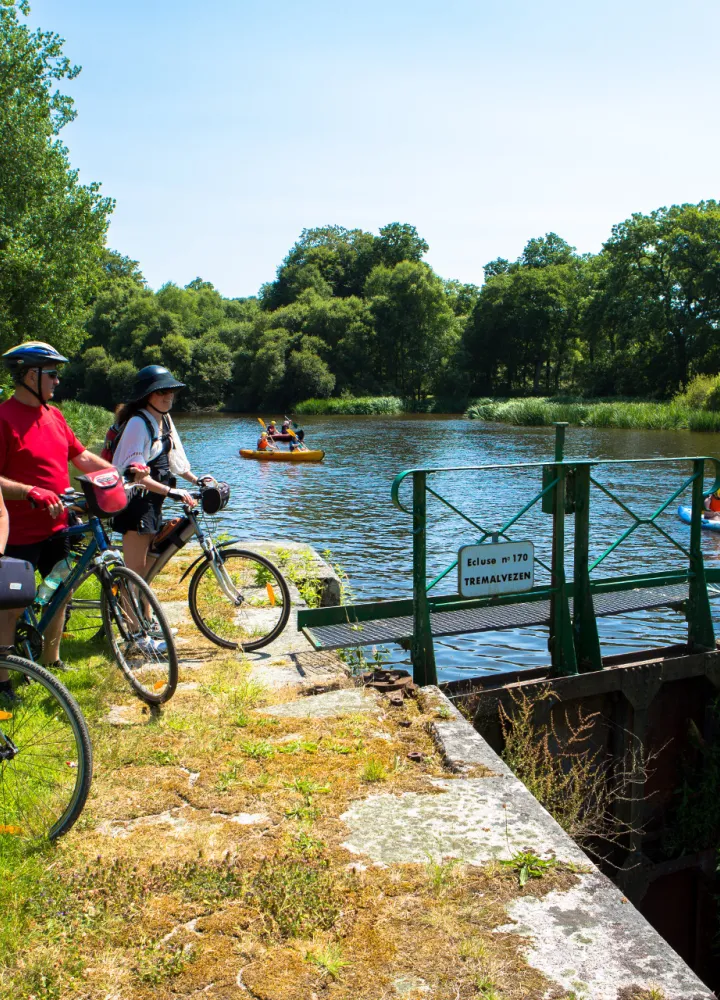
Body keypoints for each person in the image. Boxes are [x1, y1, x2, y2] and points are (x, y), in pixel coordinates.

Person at [0, 342, 113, 674]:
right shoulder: (3, 418)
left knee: (61, 591)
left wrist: (117, 473)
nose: (57, 381)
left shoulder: (55, 415)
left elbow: (81, 457)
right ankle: (4, 678)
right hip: (17, 532)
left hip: (57, 526)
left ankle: (51, 661)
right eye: (52, 374)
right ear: (29, 375)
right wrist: (30, 491)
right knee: (11, 606)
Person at [111, 366, 200, 646]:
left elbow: (176, 461)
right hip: (135, 503)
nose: (168, 396)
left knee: (146, 569)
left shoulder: (164, 419)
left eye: (171, 390)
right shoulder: (139, 423)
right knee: (134, 571)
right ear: (148, 394)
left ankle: (146, 623)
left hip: (152, 503)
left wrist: (200, 480)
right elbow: (135, 472)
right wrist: (172, 491)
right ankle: (134, 634)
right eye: (162, 391)